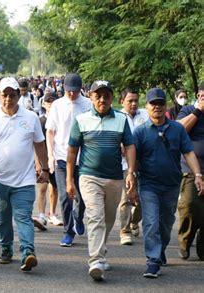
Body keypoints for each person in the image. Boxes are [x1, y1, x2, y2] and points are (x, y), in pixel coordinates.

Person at [67, 80, 137, 281]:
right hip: (89, 176)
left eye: (106, 96)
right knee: (95, 216)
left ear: (112, 98)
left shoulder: (121, 120)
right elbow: (72, 152)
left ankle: (101, 251)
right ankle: (96, 260)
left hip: (114, 178)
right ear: (91, 97)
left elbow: (130, 146)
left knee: (108, 219)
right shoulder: (81, 120)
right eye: (98, 95)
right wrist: (70, 180)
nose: (102, 99)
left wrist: (131, 172)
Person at [0, 77, 49, 272]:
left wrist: (44, 168)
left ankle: (27, 252)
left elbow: (39, 144)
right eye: (4, 95)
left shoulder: (31, 117)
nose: (8, 99)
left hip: (24, 180)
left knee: (23, 217)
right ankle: (6, 248)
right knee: (2, 218)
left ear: (19, 95)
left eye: (12, 95)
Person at [134, 87, 204, 278]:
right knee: (150, 223)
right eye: (152, 104)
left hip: (171, 184)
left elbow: (188, 152)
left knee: (166, 223)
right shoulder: (140, 132)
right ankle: (153, 260)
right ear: (146, 107)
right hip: (148, 184)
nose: (156, 107)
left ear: (165, 106)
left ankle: (160, 249)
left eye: (160, 103)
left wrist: (197, 174)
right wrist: (131, 177)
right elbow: (134, 158)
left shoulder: (177, 129)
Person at [46, 73, 91, 247]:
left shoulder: (87, 104)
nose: (72, 95)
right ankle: (68, 231)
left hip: (83, 158)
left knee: (83, 196)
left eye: (75, 91)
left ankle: (78, 217)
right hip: (61, 156)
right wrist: (50, 156)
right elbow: (50, 132)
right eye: (69, 91)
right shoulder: (57, 105)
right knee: (66, 196)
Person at [176, 81, 204, 260]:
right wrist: (199, 110)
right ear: (199, 95)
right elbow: (179, 130)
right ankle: (185, 240)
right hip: (191, 170)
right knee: (189, 205)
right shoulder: (188, 110)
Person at [118, 87, 149, 246]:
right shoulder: (116, 117)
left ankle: (134, 221)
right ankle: (124, 231)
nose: (134, 104)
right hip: (124, 164)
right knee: (126, 198)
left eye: (136, 100)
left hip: (143, 163)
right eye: (130, 101)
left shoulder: (145, 115)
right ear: (122, 101)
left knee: (143, 199)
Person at [33, 93, 62, 230]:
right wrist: (38, 163)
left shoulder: (60, 120)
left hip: (56, 158)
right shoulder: (40, 121)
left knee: (54, 188)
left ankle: (53, 213)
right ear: (43, 104)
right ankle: (41, 214)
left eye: (53, 102)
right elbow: (35, 144)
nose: (50, 104)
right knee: (43, 187)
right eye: (48, 102)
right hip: (43, 158)